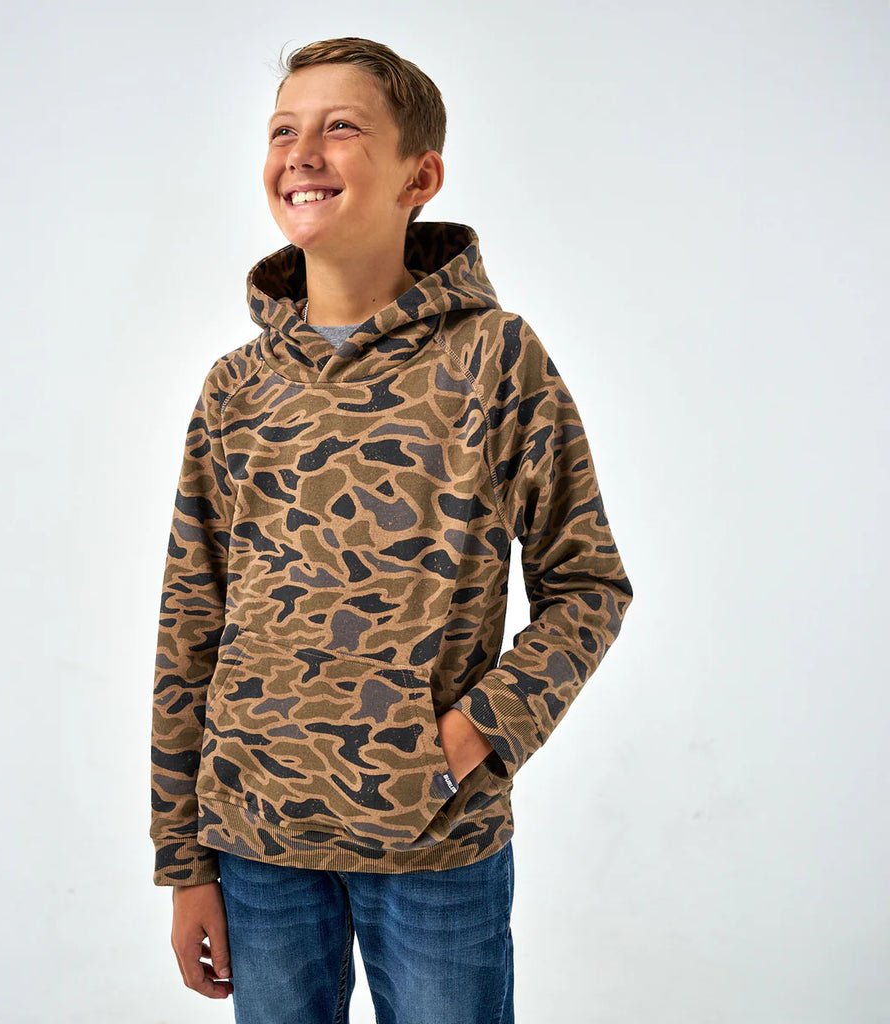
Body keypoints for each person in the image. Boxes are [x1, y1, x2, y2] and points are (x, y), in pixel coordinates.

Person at [150, 36, 634, 1023]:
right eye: (283, 130)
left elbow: (588, 587)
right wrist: (182, 858)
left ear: (421, 177)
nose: (302, 151)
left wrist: (470, 737)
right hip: (256, 842)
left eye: (340, 127)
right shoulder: (236, 387)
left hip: (432, 842)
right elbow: (190, 620)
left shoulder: (494, 359)